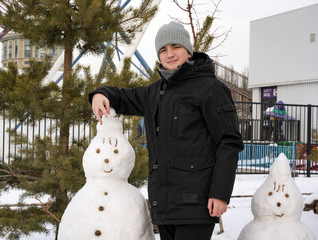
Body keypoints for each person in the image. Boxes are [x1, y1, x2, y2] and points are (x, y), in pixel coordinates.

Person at [89, 21, 244, 240]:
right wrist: (99, 94)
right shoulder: (155, 92)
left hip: (196, 205)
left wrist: (220, 194)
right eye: (163, 50)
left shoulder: (211, 89)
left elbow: (229, 143)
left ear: (188, 51)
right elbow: (122, 97)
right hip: (165, 205)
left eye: (175, 47)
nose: (169, 54)